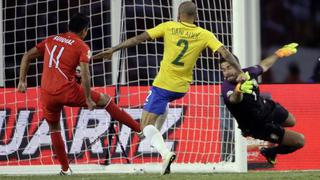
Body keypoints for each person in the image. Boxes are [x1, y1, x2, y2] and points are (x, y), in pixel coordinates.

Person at [93, 1, 245, 175]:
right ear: (195, 17)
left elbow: (138, 39)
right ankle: (156, 137)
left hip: (163, 85)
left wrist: (113, 49)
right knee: (157, 119)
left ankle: (165, 153)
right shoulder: (204, 34)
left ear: (179, 15)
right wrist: (240, 71)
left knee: (144, 129)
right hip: (182, 88)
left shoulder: (168, 26)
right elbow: (225, 52)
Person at [17, 13, 141, 175]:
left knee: (54, 128)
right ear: (85, 31)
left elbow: (27, 56)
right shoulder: (82, 46)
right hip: (67, 91)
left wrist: (22, 81)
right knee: (105, 100)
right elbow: (85, 72)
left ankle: (65, 169)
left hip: (47, 93)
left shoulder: (52, 39)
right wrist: (88, 98)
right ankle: (139, 129)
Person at [220, 43, 305, 165]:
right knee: (299, 141)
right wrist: (239, 89)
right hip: (257, 124)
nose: (226, 73)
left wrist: (278, 54)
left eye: (229, 68)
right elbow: (234, 99)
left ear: (237, 66)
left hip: (266, 108)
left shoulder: (248, 73)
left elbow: (263, 65)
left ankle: (275, 133)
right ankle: (271, 151)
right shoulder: (227, 87)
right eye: (223, 70)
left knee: (292, 121)